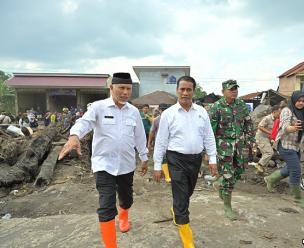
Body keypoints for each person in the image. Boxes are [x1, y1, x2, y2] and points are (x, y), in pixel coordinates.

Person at [58, 72, 148, 248]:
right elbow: (84, 122)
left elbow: (139, 137)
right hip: (103, 164)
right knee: (106, 205)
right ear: (111, 88)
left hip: (126, 164)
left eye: (128, 89)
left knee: (126, 198)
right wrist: (75, 136)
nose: (125, 92)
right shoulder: (98, 107)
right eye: (121, 88)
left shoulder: (134, 112)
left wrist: (144, 157)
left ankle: (124, 216)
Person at [153, 76, 217, 247]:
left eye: (189, 89)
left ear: (193, 91)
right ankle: (188, 241)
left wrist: (213, 159)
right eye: (182, 89)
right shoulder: (168, 114)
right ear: (177, 91)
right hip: (176, 160)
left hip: (195, 160)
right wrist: (157, 165)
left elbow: (209, 136)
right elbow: (160, 142)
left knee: (187, 192)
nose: (185, 93)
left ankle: (177, 209)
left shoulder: (202, 112)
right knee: (182, 198)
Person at [264, 91, 304, 210]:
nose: (301, 103)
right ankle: (297, 198)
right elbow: (284, 127)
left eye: (303, 101)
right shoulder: (287, 111)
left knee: (290, 168)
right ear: (293, 100)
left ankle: (270, 179)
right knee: (296, 170)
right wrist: (292, 128)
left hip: (296, 145)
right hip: (285, 145)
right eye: (298, 101)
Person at [208, 79, 255, 220]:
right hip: (224, 148)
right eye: (231, 89)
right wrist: (209, 151)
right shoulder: (216, 107)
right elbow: (210, 130)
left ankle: (221, 184)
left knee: (238, 171)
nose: (234, 91)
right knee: (228, 175)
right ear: (223, 92)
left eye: (236, 89)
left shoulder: (241, 105)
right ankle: (227, 206)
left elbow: (248, 123)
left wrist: (251, 142)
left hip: (240, 147)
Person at [147, 103, 171, 182]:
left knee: (169, 158)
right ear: (159, 110)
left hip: (171, 143)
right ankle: (166, 175)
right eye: (162, 110)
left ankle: (168, 174)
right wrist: (149, 143)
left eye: (165, 110)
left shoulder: (172, 118)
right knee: (162, 158)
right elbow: (152, 131)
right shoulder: (157, 120)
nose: (164, 111)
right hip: (159, 142)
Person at [255, 105, 281, 171]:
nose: (280, 114)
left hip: (267, 139)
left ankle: (260, 171)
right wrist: (270, 133)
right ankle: (259, 165)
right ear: (274, 112)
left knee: (266, 155)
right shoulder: (267, 118)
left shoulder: (277, 120)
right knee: (269, 153)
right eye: (279, 113)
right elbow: (260, 127)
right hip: (261, 137)